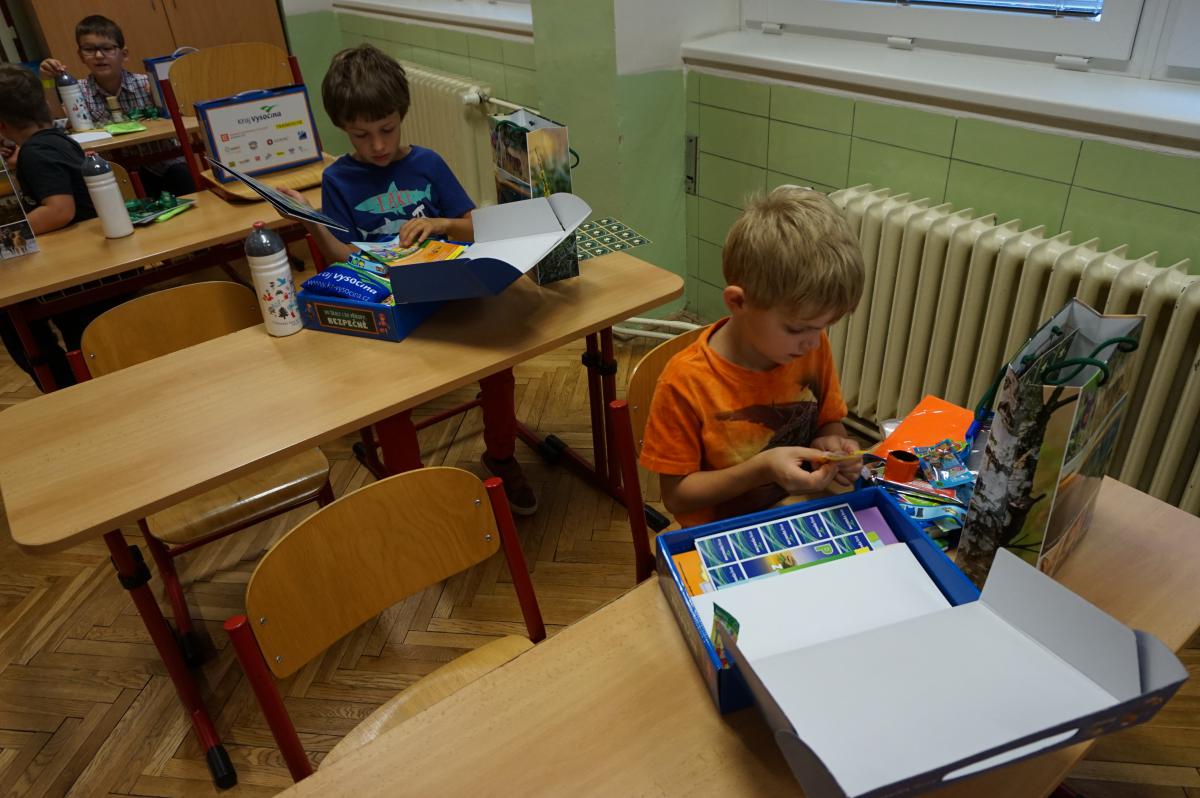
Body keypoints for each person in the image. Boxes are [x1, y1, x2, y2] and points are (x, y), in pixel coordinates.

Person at [279, 44, 537, 514]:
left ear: (402, 115)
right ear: (342, 128)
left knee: (498, 368)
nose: (377, 146)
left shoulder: (428, 164)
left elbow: (474, 226)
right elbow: (341, 254)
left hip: (450, 296)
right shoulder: (338, 178)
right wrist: (310, 220)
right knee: (391, 399)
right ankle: (412, 489)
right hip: (391, 306)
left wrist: (441, 224)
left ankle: (501, 455)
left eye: (387, 129)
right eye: (361, 135)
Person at [639, 186, 867, 528]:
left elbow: (827, 420)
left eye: (824, 326)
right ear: (738, 302)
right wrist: (761, 469)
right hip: (722, 534)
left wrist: (832, 443)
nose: (812, 342)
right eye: (796, 328)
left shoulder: (811, 345)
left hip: (797, 511)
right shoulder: (685, 382)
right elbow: (677, 496)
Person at [0, 63, 108, 390]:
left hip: (79, 271)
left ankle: (61, 385)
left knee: (12, 317)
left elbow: (59, 210)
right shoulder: (55, 141)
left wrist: (8, 237)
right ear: (46, 105)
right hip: (91, 255)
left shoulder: (35, 154)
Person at [39, 14, 194, 197]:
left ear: (124, 54)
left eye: (107, 48)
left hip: (164, 162)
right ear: (80, 55)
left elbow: (179, 114)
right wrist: (48, 81)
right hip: (117, 172)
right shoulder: (77, 91)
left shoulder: (146, 84)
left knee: (183, 176)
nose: (98, 56)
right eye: (89, 49)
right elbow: (59, 121)